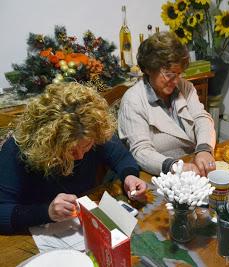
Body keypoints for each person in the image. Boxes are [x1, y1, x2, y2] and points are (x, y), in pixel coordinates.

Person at [0, 83, 146, 234]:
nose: (81, 156)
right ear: (48, 143)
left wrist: (130, 176)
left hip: (82, 221)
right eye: (70, 150)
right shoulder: (16, 149)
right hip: (36, 231)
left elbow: (121, 157)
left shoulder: (90, 129)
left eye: (87, 146)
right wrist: (46, 212)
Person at [118, 32, 216, 176]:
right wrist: (175, 167)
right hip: (159, 175)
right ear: (149, 69)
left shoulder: (185, 87)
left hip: (193, 164)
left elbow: (202, 118)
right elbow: (141, 151)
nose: (176, 81)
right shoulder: (133, 100)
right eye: (169, 74)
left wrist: (204, 149)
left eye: (179, 74)